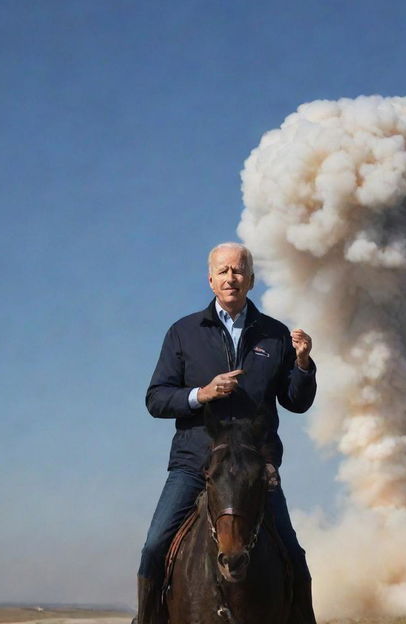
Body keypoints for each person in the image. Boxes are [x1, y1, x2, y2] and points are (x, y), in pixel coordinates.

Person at [136, 241, 318, 624]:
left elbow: (296, 401)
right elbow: (156, 399)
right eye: (223, 271)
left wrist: (302, 365)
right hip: (195, 463)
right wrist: (201, 394)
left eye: (238, 271)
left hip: (255, 468)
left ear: (250, 279)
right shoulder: (183, 332)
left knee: (295, 558)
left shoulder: (274, 334)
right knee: (154, 548)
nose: (230, 278)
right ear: (210, 280)